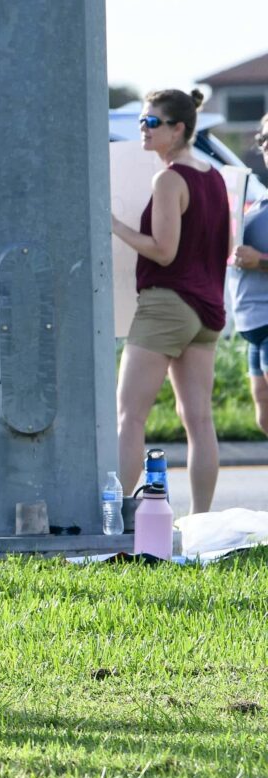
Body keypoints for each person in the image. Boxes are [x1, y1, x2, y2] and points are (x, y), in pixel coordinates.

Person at [111, 89, 231, 514]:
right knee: (198, 421)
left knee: (129, 416)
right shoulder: (214, 177)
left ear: (178, 129)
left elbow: (163, 251)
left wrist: (114, 225)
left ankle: (120, 521)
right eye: (142, 121)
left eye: (152, 122)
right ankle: (201, 523)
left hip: (167, 304)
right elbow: (222, 247)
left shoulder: (168, 178)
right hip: (207, 311)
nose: (143, 129)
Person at [231, 113, 268, 438]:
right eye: (263, 139)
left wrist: (260, 261)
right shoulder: (259, 200)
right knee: (264, 418)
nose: (266, 145)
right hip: (254, 325)